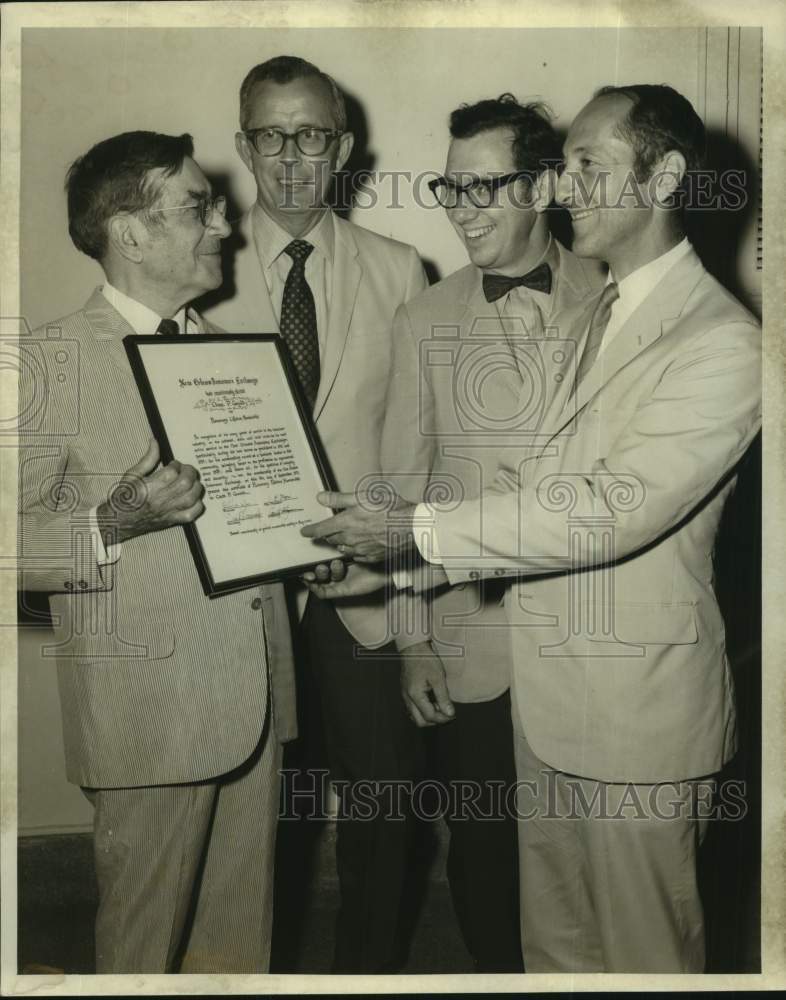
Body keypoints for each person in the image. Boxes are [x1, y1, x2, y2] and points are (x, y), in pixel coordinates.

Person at [302, 84, 762, 973]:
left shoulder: (724, 343)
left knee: (644, 958)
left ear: (665, 176)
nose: (563, 189)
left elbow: (605, 509)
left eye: (588, 167)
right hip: (547, 714)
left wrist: (413, 533)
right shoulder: (605, 311)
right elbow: (528, 491)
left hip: (636, 716)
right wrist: (396, 582)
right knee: (555, 954)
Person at [17, 130, 296, 974]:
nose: (225, 226)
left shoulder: (233, 353)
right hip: (148, 713)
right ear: (131, 233)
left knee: (237, 953)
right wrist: (115, 518)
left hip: (254, 697)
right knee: (142, 957)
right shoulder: (45, 361)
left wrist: (307, 533)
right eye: (196, 207)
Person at [203, 56, 429, 973]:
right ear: (242, 145)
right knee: (258, 829)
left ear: (343, 146)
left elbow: (414, 442)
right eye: (269, 135)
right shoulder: (198, 269)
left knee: (385, 821)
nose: (290, 158)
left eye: (310, 135)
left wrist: (380, 557)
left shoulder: (400, 267)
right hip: (246, 601)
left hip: (368, 596)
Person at [379, 94, 603, 972]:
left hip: (593, 638)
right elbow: (400, 492)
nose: (463, 209)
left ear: (545, 183)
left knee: (589, 861)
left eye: (486, 187)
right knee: (486, 855)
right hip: (476, 644)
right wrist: (411, 640)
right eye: (449, 188)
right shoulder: (422, 320)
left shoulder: (619, 296)